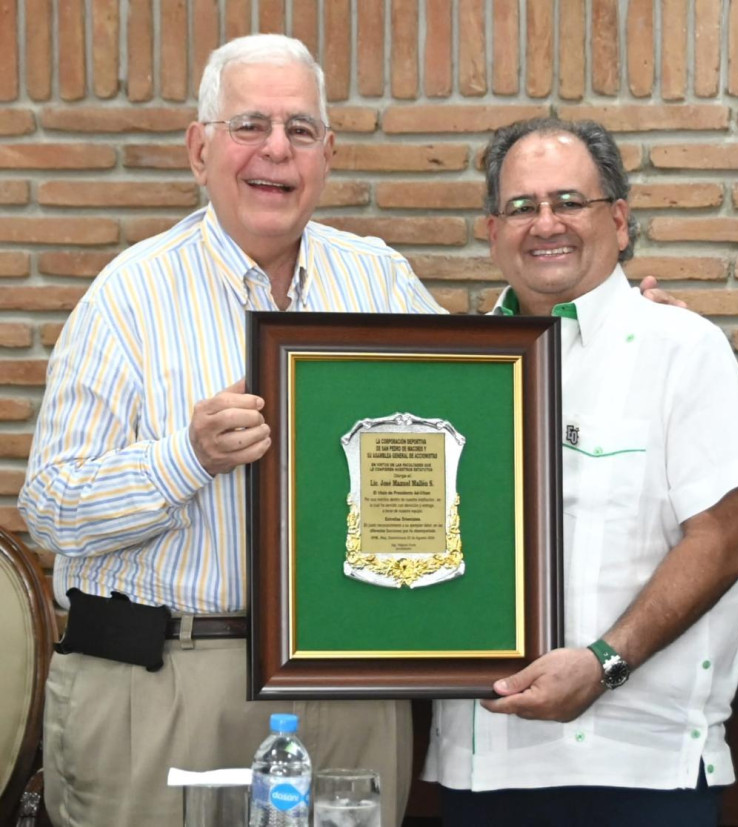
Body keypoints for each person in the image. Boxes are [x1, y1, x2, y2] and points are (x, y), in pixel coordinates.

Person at [17, 34, 445, 827]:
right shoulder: (129, 296)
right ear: (200, 148)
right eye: (250, 124)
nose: (276, 149)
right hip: (170, 681)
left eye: (301, 129)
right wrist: (187, 457)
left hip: (345, 681)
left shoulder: (380, 278)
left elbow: (470, 421)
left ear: (328, 154)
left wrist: (584, 328)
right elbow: (48, 506)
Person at [421, 117, 738, 826]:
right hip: (477, 765)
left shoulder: (683, 349)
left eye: (567, 202)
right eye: (521, 207)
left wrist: (603, 663)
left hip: (638, 770)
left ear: (618, 219)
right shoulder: (448, 368)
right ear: (491, 231)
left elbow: (724, 539)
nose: (545, 223)